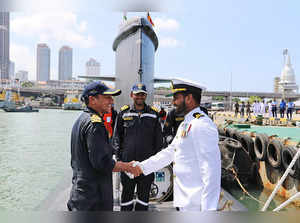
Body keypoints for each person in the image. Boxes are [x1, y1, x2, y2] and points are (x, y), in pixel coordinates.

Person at [132, 78, 221, 211]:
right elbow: (171, 152)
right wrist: (141, 167)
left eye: (176, 98)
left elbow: (211, 172)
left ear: (189, 98)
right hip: (185, 202)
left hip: (196, 206)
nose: (173, 102)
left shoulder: (201, 125)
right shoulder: (187, 123)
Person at [67, 81, 138, 211]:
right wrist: (127, 167)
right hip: (93, 198)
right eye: (107, 97)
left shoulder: (82, 119)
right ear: (92, 99)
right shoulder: (95, 124)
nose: (111, 101)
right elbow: (103, 163)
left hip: (81, 193)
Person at [112, 83, 163, 211]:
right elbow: (117, 137)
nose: (140, 96)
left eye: (142, 94)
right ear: (131, 95)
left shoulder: (153, 114)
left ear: (145, 96)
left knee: (143, 198)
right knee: (126, 198)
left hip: (147, 164)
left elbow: (158, 140)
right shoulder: (123, 113)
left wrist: (156, 161)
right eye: (137, 94)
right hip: (128, 164)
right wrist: (119, 159)